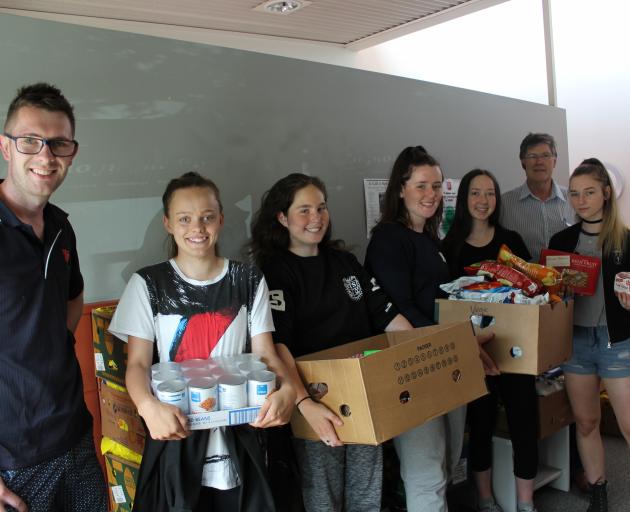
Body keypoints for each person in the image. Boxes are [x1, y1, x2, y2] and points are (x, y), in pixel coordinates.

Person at [108, 172, 295, 511]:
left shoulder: (248, 279)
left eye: (207, 217)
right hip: (176, 435)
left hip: (242, 433)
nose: (197, 227)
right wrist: (148, 407)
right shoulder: (147, 284)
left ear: (220, 220)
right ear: (168, 224)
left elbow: (265, 353)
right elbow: (136, 365)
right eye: (185, 218)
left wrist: (287, 391)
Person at [249, 172, 413, 512]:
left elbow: (390, 318)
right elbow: (279, 348)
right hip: (313, 398)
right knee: (323, 499)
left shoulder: (345, 262)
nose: (316, 219)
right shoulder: (275, 273)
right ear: (282, 217)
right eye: (304, 210)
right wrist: (306, 404)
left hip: (364, 393)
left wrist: (419, 353)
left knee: (367, 493)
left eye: (321, 208)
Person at [364, 146, 495, 512]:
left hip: (446, 360)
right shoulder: (389, 239)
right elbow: (397, 309)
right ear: (400, 189)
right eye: (421, 185)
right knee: (426, 473)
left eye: (437, 186)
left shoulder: (431, 240)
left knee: (448, 463)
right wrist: (452, 343)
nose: (431, 195)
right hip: (415, 368)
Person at [0, 83, 108, 512]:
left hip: (74, 437)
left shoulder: (62, 227)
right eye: (30, 141)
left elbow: (72, 300)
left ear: (71, 153)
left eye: (58, 144)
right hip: (12, 463)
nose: (46, 156)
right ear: (6, 147)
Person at [441, 169, 539, 512]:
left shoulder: (511, 241)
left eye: (490, 194)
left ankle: (526, 502)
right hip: (473, 353)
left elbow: (532, 293)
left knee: (524, 421)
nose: (483, 201)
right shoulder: (449, 247)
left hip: (515, 351)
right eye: (475, 193)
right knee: (479, 424)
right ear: (464, 199)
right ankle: (484, 498)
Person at [548, 160, 630, 512]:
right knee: (586, 421)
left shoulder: (625, 241)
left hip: (617, 342)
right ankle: (598, 489)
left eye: (590, 192)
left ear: (606, 194)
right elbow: (552, 296)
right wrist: (555, 290)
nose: (581, 201)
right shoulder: (562, 241)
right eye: (575, 194)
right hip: (576, 342)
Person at [501, 133, 574, 261]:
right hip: (521, 280)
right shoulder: (504, 204)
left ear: (554, 161)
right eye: (532, 156)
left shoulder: (573, 200)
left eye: (545, 155)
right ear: (523, 162)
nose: (539, 162)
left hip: (569, 279)